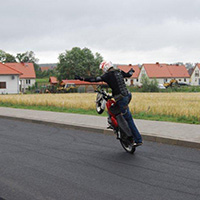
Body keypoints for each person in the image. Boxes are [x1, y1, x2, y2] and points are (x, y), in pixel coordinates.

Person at [75, 61, 142, 146]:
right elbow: (128, 75)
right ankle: (118, 127)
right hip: (128, 95)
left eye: (103, 69)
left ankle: (137, 139)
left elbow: (95, 79)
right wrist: (131, 71)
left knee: (128, 119)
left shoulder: (107, 75)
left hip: (121, 99)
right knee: (112, 109)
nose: (103, 71)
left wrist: (82, 79)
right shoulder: (118, 71)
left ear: (106, 68)